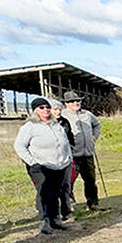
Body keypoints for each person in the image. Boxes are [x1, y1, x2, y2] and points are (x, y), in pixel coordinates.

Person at [13, 98, 73, 235]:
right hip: (41, 165)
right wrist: (31, 161)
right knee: (44, 192)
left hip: (60, 165)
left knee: (56, 192)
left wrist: (68, 157)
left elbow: (65, 142)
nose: (45, 109)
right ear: (35, 110)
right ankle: (44, 220)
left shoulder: (56, 124)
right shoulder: (30, 126)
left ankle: (55, 219)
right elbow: (19, 146)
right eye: (41, 107)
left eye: (47, 107)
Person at [62, 92, 102, 211]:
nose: (76, 103)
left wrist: (94, 137)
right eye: (72, 101)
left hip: (88, 153)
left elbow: (97, 125)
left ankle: (93, 203)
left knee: (90, 181)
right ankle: (69, 205)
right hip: (72, 155)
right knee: (69, 181)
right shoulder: (63, 116)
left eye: (78, 100)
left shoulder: (87, 114)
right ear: (66, 103)